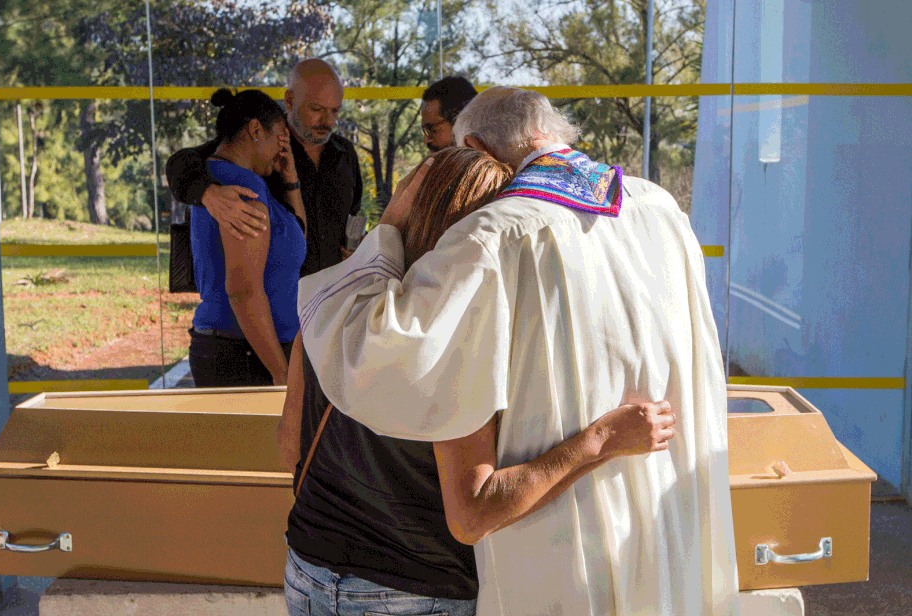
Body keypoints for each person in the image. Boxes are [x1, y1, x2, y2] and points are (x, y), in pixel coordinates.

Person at [297, 86, 740, 616]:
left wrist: (390, 228)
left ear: (478, 149)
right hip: (659, 513)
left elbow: (372, 348)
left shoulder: (489, 237)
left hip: (553, 545)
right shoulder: (660, 208)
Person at [166, 59, 362, 274]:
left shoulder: (346, 154)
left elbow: (353, 218)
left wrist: (361, 248)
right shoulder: (257, 142)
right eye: (316, 109)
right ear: (289, 100)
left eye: (335, 111)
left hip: (336, 295)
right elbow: (180, 162)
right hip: (273, 297)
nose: (328, 121)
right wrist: (208, 193)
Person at [188, 88, 306, 388]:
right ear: (255, 130)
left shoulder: (229, 178)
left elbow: (298, 236)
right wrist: (280, 373)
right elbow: (242, 290)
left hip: (241, 352)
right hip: (246, 359)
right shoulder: (242, 183)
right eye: (280, 136)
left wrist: (290, 179)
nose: (283, 148)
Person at [420, 76, 478, 153]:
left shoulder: (493, 162)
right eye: (425, 131)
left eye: (431, 129)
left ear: (461, 124)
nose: (426, 141)